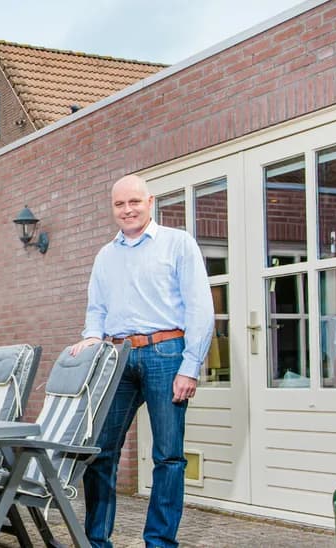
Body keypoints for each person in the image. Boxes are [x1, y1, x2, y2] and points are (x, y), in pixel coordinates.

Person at [70, 174, 213, 548]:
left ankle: (160, 542)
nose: (127, 209)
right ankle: (96, 541)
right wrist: (92, 336)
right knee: (100, 451)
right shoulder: (106, 255)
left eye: (134, 202)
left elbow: (200, 308)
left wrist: (190, 366)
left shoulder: (178, 244)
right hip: (117, 358)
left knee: (168, 456)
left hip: (166, 353)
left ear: (150, 202)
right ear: (112, 208)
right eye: (119, 204)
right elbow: (97, 309)